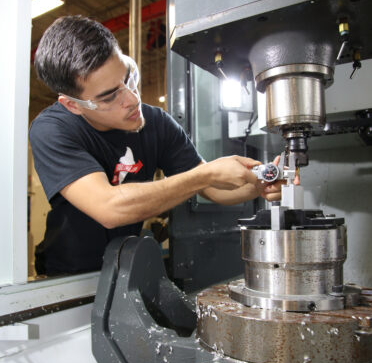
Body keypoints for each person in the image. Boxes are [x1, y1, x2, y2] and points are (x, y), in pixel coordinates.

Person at [29, 15, 282, 276]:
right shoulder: (52, 130)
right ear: (73, 105)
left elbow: (212, 189)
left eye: (128, 78)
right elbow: (110, 208)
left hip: (123, 267)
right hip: (70, 277)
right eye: (109, 97)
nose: (131, 98)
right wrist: (206, 173)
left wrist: (257, 185)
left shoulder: (156, 122)